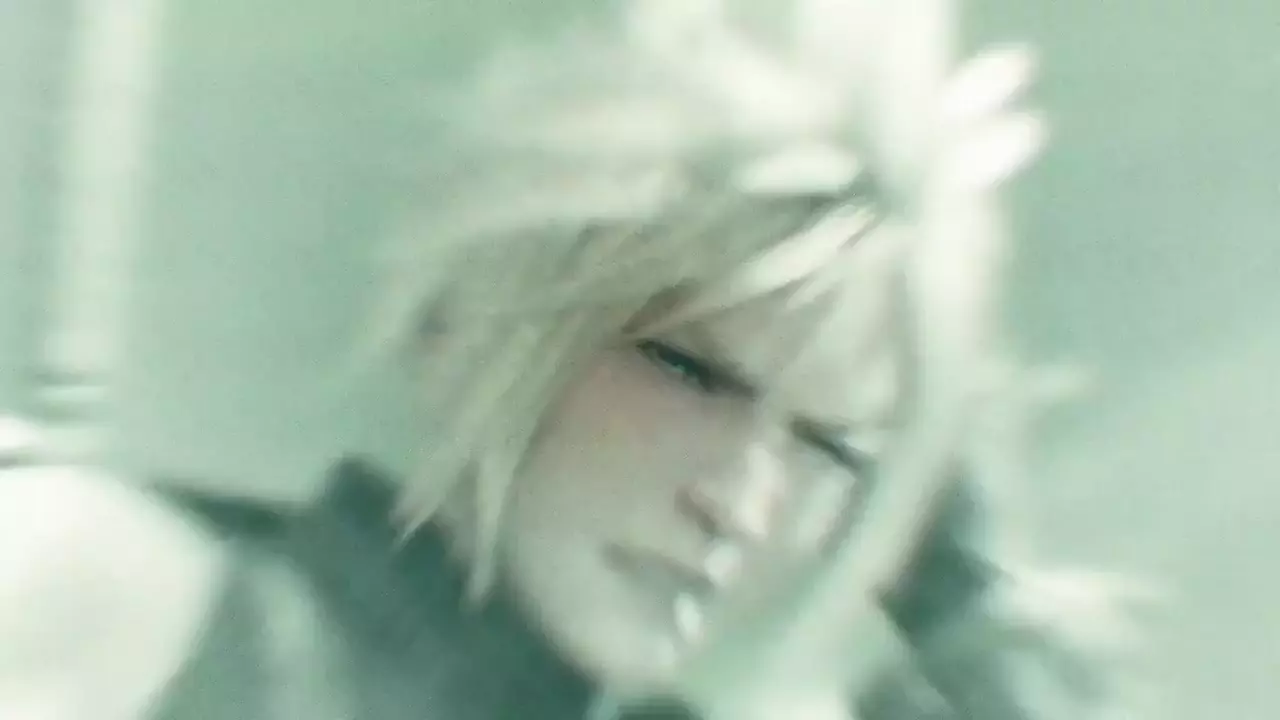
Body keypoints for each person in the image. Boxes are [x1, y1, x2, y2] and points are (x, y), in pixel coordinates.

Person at [0, 1, 1145, 719]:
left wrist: (964, 578)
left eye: (827, 449)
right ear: (473, 322)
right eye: (691, 373)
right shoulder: (115, 590)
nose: (741, 504)